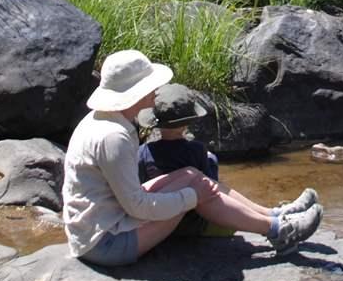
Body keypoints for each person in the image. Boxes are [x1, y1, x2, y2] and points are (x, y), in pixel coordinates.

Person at [61, 49, 323, 267]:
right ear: (135, 92)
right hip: (106, 243)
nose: (156, 91)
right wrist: (191, 198)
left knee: (192, 176)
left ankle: (274, 216)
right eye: (150, 86)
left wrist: (193, 190)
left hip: (102, 226)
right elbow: (136, 207)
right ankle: (280, 232)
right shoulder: (113, 137)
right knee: (194, 187)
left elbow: (129, 197)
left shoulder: (103, 119)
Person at [138, 84, 318, 238]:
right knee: (211, 181)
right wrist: (210, 162)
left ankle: (273, 214)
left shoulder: (143, 153)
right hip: (197, 224)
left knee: (208, 181)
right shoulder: (196, 150)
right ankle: (275, 221)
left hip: (163, 222)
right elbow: (211, 192)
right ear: (187, 123)